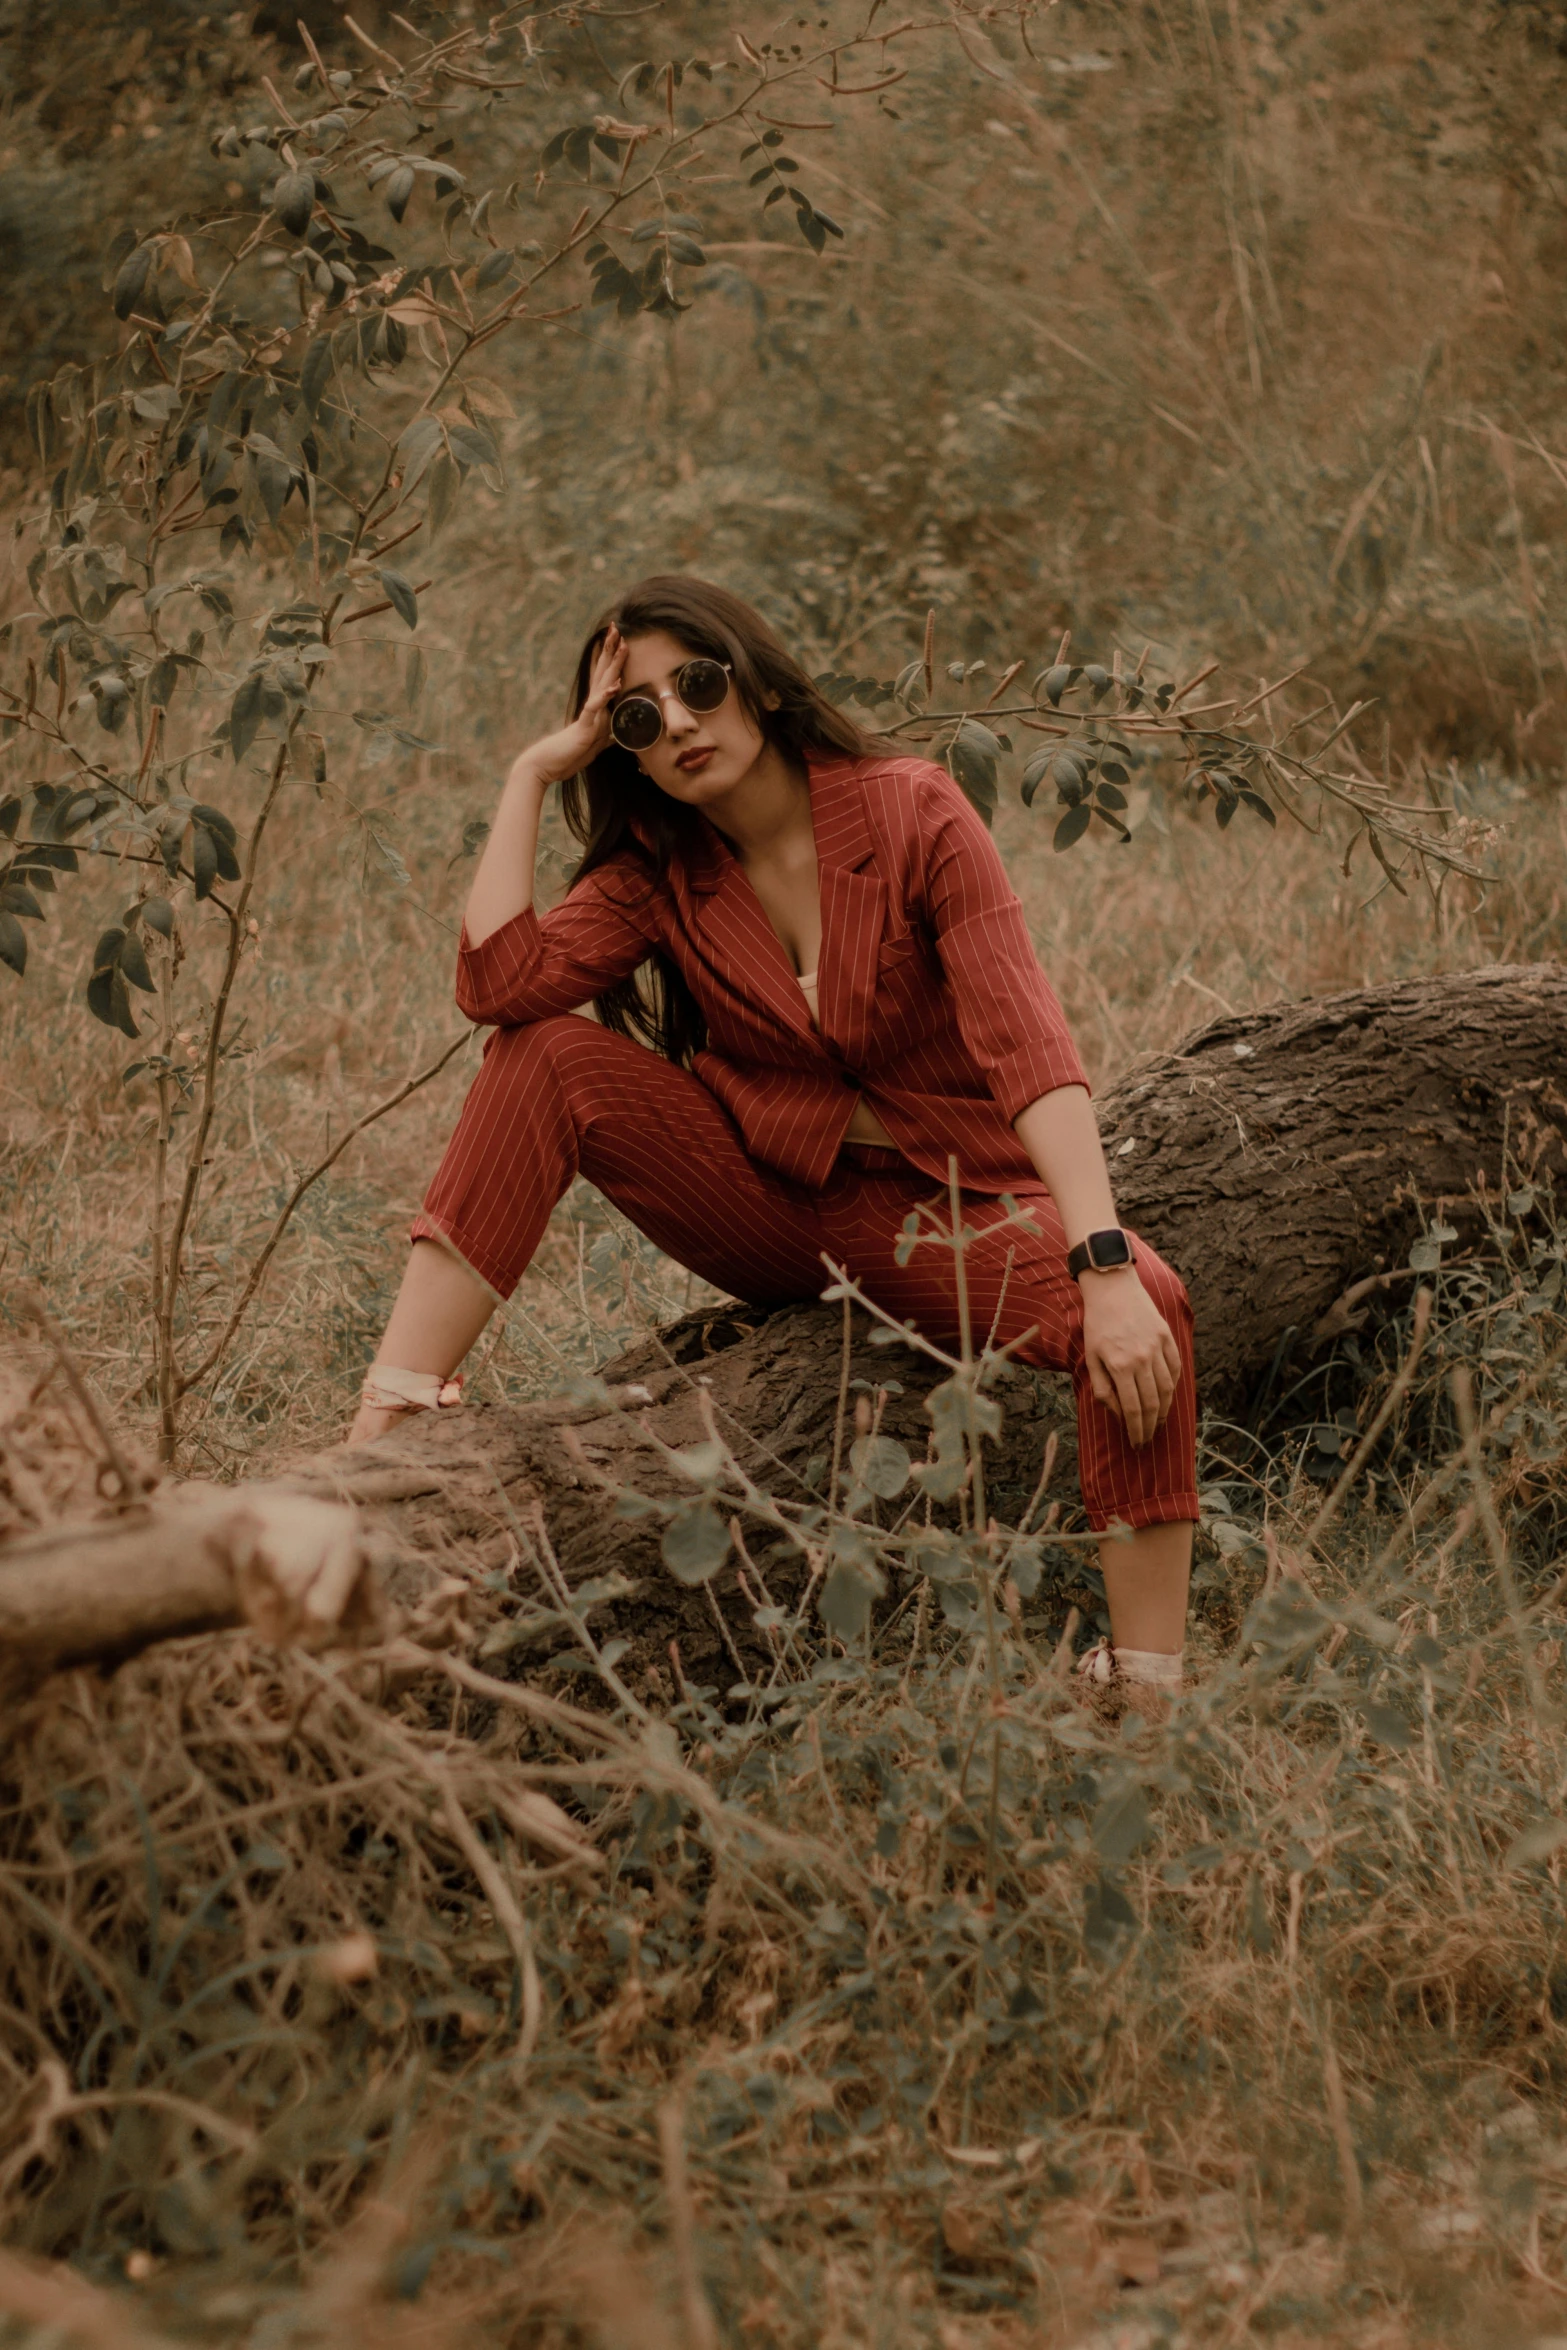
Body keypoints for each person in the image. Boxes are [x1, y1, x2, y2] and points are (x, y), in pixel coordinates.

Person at [350, 576, 1198, 1694]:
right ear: (628, 753)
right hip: (767, 1206)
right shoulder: (661, 869)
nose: (681, 722)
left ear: (753, 674)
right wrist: (531, 771)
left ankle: (1145, 1680)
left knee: (1151, 1300)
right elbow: (500, 983)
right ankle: (386, 1426)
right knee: (542, 1052)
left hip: (947, 1218)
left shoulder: (912, 811)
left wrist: (1098, 1260)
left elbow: (1027, 1046)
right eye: (639, 715)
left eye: (695, 684)